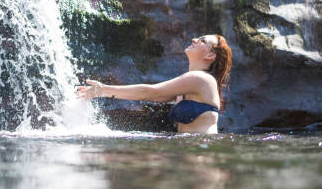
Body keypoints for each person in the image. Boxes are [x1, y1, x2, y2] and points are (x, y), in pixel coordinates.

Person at [75, 35, 232, 134]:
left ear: (211, 55)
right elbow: (151, 96)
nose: (194, 39)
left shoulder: (202, 79)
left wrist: (103, 90)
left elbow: (150, 92)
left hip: (204, 154)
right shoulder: (187, 84)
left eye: (202, 40)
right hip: (188, 151)